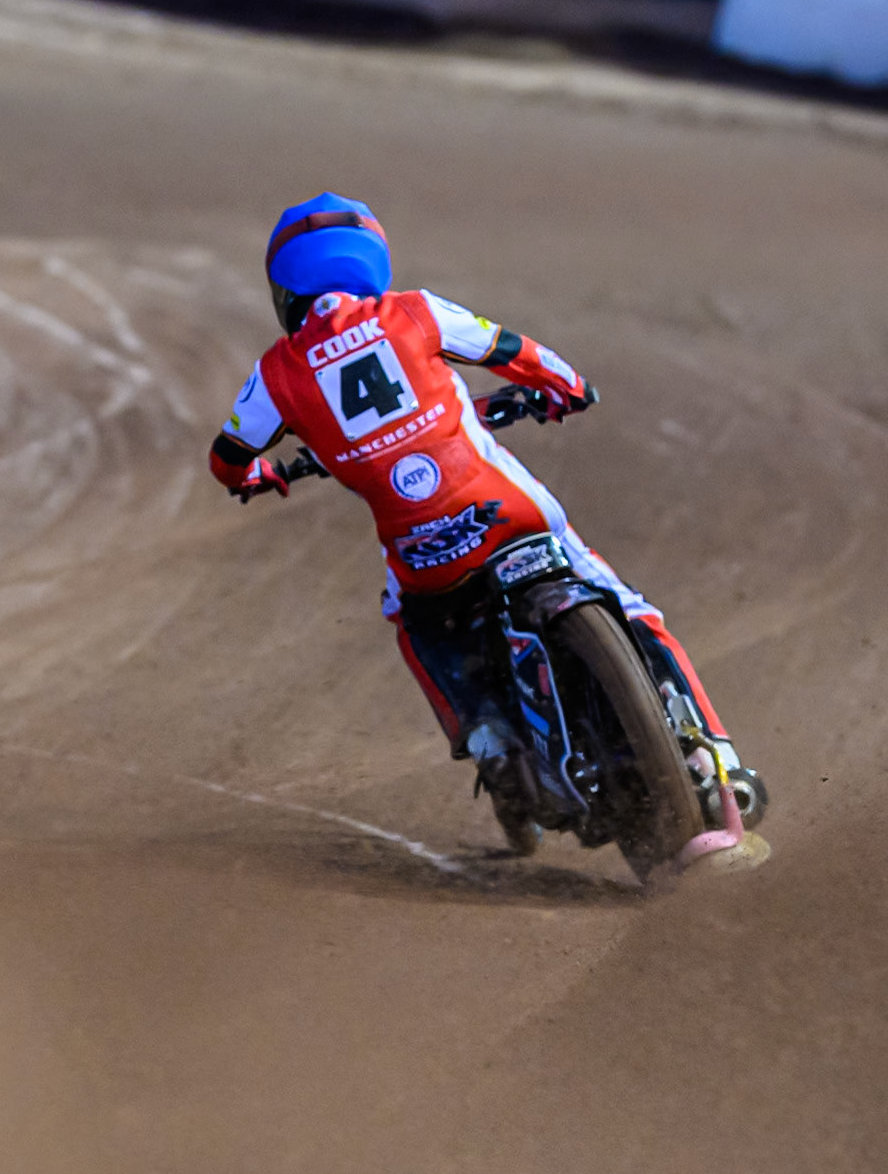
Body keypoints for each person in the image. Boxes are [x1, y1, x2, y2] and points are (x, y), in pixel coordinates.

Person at [208, 192, 747, 851]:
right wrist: (568, 389)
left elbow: (227, 458)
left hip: (424, 555)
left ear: (284, 287)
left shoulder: (276, 374)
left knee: (410, 622)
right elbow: (516, 352)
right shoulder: (416, 311)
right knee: (635, 610)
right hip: (508, 512)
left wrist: (259, 477)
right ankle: (713, 760)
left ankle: (489, 740)